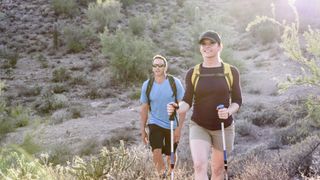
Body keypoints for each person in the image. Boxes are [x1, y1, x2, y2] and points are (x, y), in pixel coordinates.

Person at [167, 30, 242, 180]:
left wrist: (228, 111)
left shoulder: (231, 71)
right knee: (199, 165)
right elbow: (187, 102)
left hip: (223, 126)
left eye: (211, 43)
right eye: (203, 44)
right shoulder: (193, 72)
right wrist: (176, 107)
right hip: (199, 125)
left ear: (220, 46)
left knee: (217, 169)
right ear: (200, 48)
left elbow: (237, 101)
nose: (207, 47)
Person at [140, 55, 186, 178]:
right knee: (156, 151)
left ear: (165, 67)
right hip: (155, 123)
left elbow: (183, 106)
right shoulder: (147, 85)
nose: (157, 68)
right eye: (155, 65)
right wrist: (143, 129)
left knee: (170, 154)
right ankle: (162, 176)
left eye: (160, 65)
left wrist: (179, 129)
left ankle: (171, 174)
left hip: (172, 123)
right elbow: (144, 108)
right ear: (152, 67)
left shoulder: (174, 82)